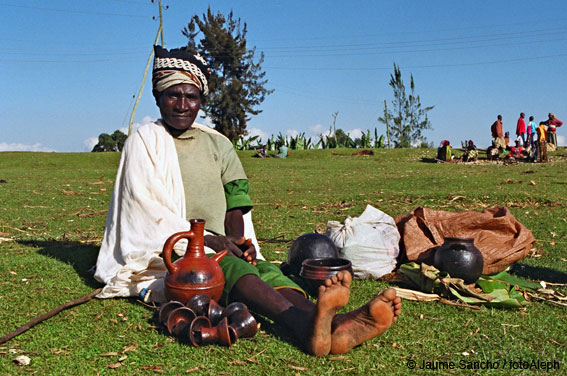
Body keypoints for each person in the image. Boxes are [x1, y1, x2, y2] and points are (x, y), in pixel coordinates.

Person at [94, 45, 401, 356]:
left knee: (267, 272)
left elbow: (236, 200)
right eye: (174, 95)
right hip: (181, 247)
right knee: (228, 269)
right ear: (158, 97)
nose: (183, 105)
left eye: (192, 96)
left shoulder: (218, 143)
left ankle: (327, 325)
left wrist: (238, 239)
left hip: (224, 242)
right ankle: (306, 324)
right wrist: (214, 244)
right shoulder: (143, 141)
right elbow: (144, 212)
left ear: (201, 99)